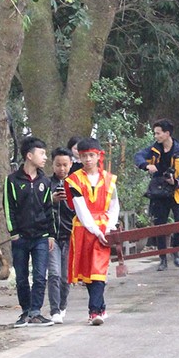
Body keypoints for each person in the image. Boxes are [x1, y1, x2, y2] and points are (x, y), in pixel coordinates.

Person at [65, 138, 119, 325]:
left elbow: (114, 206)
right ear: (79, 157)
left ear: (98, 156)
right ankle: (100, 307)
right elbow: (81, 210)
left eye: (91, 155)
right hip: (83, 228)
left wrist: (109, 227)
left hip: (104, 227)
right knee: (88, 271)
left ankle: (94, 311)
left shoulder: (109, 179)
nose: (88, 159)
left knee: (98, 270)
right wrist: (96, 230)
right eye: (84, 156)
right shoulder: (74, 180)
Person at [4, 137, 55, 326]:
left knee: (41, 276)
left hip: (41, 236)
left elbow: (49, 209)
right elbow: (9, 208)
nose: (45, 158)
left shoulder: (45, 181)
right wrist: (13, 232)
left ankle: (36, 312)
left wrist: (51, 234)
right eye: (41, 153)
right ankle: (25, 311)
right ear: (29, 155)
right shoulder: (12, 181)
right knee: (22, 277)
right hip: (20, 237)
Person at [134, 119, 179, 271]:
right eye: (155, 133)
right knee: (159, 225)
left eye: (158, 133)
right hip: (159, 191)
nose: (156, 136)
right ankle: (162, 258)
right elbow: (138, 156)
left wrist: (176, 181)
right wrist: (146, 165)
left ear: (167, 134)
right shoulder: (153, 149)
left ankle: (175, 248)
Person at [47, 148, 76, 323]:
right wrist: (52, 199)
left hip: (70, 235)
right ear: (52, 165)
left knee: (66, 276)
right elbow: (40, 207)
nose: (62, 168)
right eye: (58, 165)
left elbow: (79, 211)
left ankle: (63, 305)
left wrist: (66, 201)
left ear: (71, 164)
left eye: (65, 165)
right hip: (51, 236)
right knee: (54, 273)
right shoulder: (46, 183)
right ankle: (54, 310)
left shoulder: (75, 184)